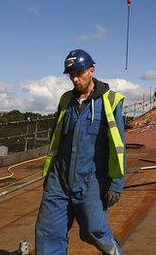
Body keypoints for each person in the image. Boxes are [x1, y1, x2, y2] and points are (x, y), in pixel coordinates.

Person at [35, 49, 126, 255]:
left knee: (94, 230)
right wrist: (50, 175)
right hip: (59, 179)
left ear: (92, 70)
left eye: (79, 73)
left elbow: (118, 147)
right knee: (48, 232)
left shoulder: (110, 101)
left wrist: (116, 184)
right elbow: (55, 139)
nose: (75, 79)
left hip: (91, 180)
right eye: (71, 75)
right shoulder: (66, 100)